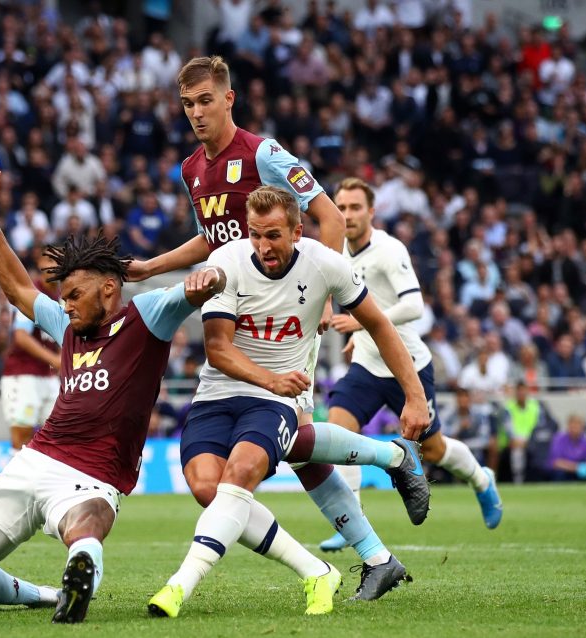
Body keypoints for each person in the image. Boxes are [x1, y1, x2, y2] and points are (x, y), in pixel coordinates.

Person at [128, 55, 399, 597]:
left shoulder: (266, 154)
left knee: (288, 436)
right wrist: (154, 266)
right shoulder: (191, 170)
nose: (197, 113)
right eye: (187, 104)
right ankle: (380, 530)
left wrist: (320, 294)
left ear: (229, 98)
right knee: (289, 446)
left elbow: (325, 217)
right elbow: (216, 238)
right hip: (233, 314)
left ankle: (382, 497)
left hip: (286, 315)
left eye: (206, 100)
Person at [0, 155, 225, 624]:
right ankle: (49, 593)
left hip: (96, 475)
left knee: (84, 527)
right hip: (36, 460)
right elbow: (18, 292)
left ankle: (81, 566)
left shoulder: (144, 317)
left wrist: (211, 279)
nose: (64, 307)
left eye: (74, 296)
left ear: (110, 290)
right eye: (62, 297)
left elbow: (198, 285)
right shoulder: (66, 326)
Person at [148, 186, 431, 618]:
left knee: (246, 470)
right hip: (224, 392)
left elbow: (378, 324)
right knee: (218, 484)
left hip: (282, 389)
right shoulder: (226, 260)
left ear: (297, 231)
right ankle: (387, 478)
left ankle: (179, 585)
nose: (264, 247)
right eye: (256, 235)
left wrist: (415, 395)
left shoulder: (325, 262)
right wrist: (271, 379)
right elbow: (218, 349)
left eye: (274, 236)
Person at [317, 178, 502, 555]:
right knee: (337, 432)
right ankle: (350, 521)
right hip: (368, 364)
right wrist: (360, 335)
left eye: (355, 207)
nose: (347, 215)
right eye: (342, 207)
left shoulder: (388, 249)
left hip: (408, 366)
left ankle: (481, 479)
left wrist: (362, 322)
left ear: (371, 211)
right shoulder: (337, 253)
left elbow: (415, 306)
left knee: (432, 451)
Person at [0, 253, 61, 453]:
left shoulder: (62, 297)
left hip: (50, 377)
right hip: (23, 375)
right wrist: (55, 359)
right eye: (49, 260)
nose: (54, 266)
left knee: (59, 433)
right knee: (22, 437)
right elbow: (21, 336)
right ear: (41, 264)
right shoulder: (31, 293)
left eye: (58, 261)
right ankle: (17, 484)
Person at [548, 415, 586, 481]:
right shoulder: (559, 439)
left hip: (580, 471)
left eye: (578, 426)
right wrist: (576, 468)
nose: (576, 429)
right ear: (568, 426)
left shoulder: (585, 440)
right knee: (559, 473)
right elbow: (556, 462)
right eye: (573, 426)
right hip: (566, 471)